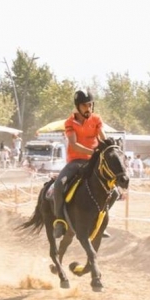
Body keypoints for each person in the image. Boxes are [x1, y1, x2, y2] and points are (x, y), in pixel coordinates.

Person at [51, 90, 108, 238]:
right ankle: (59, 220)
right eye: (85, 105)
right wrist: (93, 152)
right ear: (78, 106)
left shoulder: (96, 119)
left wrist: (107, 146)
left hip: (94, 162)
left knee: (114, 192)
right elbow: (74, 145)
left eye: (90, 105)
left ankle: (101, 221)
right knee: (59, 184)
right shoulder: (69, 123)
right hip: (75, 162)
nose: (88, 108)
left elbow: (103, 137)